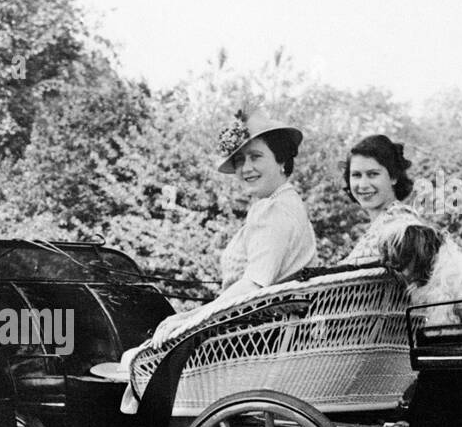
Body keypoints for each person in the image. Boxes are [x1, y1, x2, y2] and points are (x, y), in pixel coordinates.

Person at [149, 110, 318, 347]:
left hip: (256, 339)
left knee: (134, 358)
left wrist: (192, 319)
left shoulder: (273, 210)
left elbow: (253, 286)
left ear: (281, 161)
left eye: (256, 156)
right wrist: (187, 316)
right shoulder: (287, 203)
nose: (246, 168)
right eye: (240, 160)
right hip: (267, 333)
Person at [339, 134, 424, 265]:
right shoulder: (380, 226)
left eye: (373, 174)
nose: (363, 185)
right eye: (356, 175)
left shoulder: (402, 231)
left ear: (393, 176)